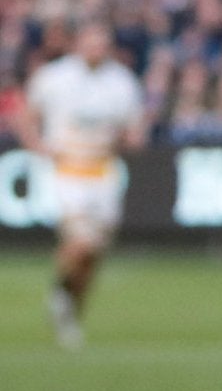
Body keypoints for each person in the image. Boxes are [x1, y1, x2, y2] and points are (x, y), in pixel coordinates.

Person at [18, 22, 145, 349]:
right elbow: (26, 116)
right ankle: (61, 295)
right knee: (80, 244)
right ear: (78, 44)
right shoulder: (54, 77)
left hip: (103, 173)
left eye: (102, 43)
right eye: (90, 42)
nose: (96, 49)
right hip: (67, 171)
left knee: (93, 255)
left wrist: (130, 139)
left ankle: (70, 311)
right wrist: (38, 146)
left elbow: (134, 129)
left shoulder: (121, 82)